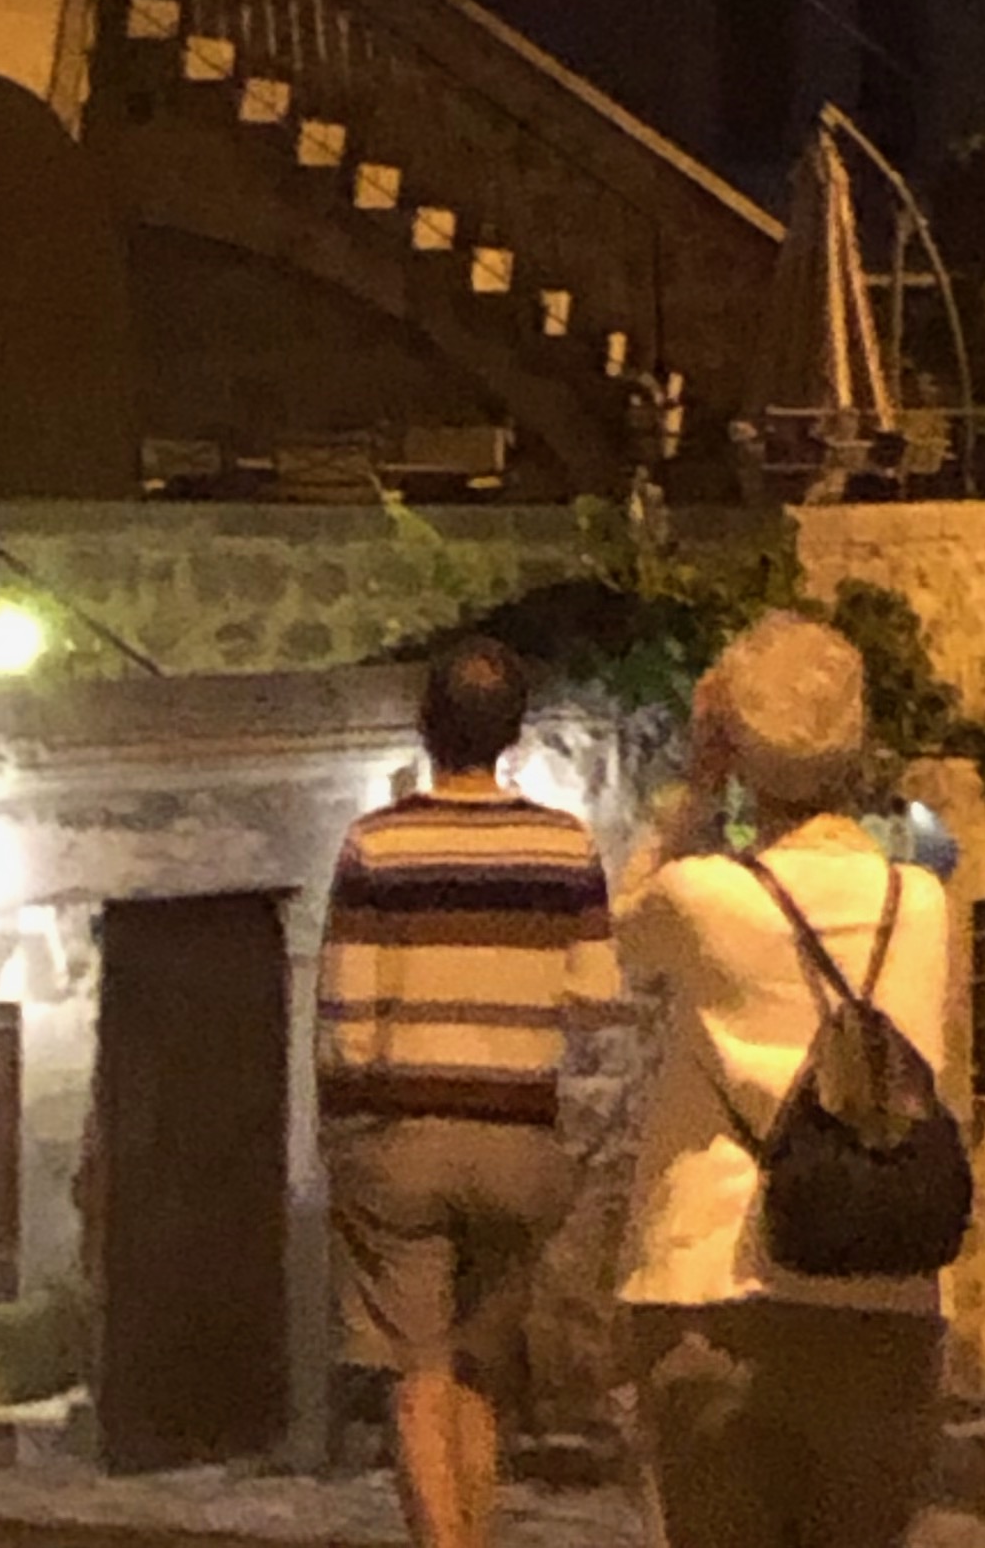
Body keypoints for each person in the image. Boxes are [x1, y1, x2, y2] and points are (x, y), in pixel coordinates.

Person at [612, 610, 955, 1548]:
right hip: (884, 1295)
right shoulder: (922, 905)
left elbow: (621, 929)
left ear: (735, 745)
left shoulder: (702, 898)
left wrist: (695, 787)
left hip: (712, 1284)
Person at [317, 634, 620, 1548]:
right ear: (514, 734)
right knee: (482, 1370)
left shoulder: (376, 843)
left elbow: (348, 1023)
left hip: (404, 1142)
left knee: (419, 1373)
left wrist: (344, 1143)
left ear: (426, 726)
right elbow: (597, 999)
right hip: (519, 1140)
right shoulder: (565, 846)